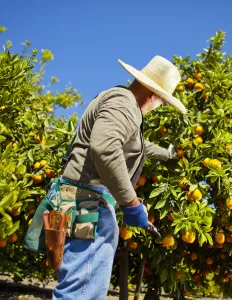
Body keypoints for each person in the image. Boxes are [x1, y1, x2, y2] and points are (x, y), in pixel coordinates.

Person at [52, 55, 187, 299]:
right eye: (164, 102)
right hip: (89, 201)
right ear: (154, 95)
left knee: (78, 283)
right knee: (83, 291)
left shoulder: (121, 103)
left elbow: (139, 146)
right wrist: (131, 203)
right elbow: (105, 148)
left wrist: (168, 154)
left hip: (81, 197)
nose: (161, 106)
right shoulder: (125, 104)